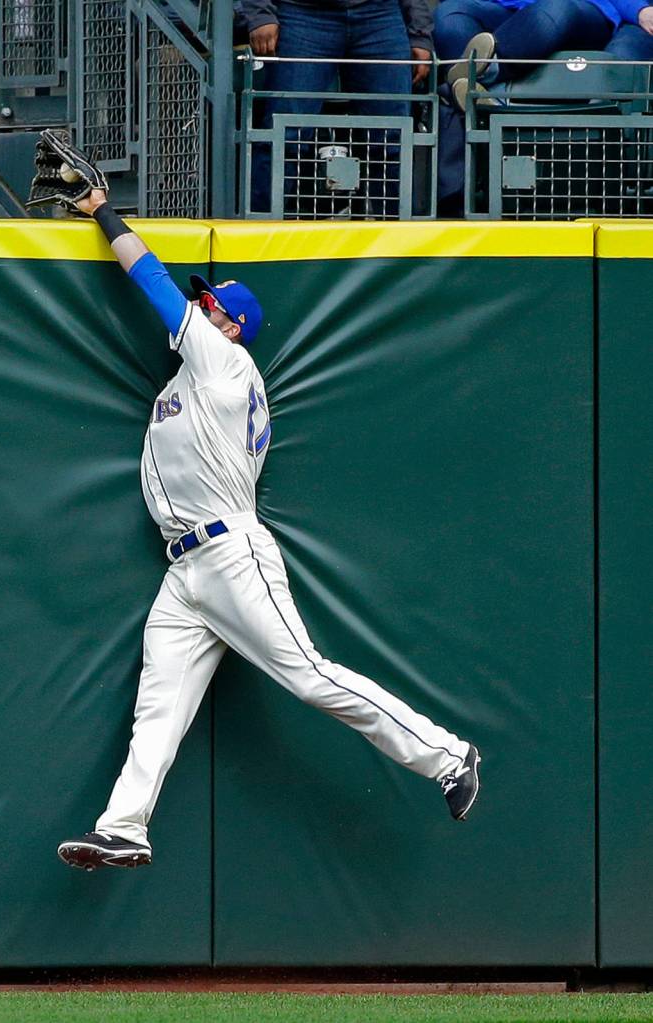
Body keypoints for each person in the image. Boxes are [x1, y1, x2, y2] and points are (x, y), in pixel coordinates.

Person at [57, 189, 482, 871]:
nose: (199, 307)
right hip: (186, 569)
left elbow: (155, 283)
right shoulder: (193, 379)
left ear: (232, 328)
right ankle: (124, 827)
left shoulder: (225, 364)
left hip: (231, 552)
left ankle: (448, 754)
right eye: (204, 302)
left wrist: (104, 213)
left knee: (311, 676)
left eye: (212, 307)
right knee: (158, 705)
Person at [243, 0, 435, 214]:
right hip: (301, 12)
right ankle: (257, 235)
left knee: (393, 141)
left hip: (381, 14)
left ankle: (401, 241)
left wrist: (419, 31)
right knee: (283, 138)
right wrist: (260, 13)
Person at [433, 0, 640, 107]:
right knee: (451, 12)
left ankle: (482, 76)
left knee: (554, 7)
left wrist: (639, 10)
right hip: (512, 10)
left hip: (580, 13)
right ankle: (477, 98)